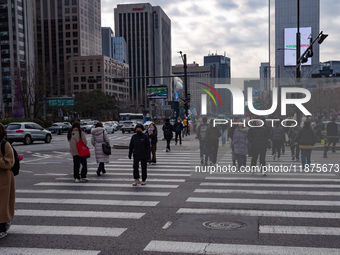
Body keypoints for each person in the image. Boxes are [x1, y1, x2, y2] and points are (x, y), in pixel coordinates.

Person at [0, 124, 15, 239]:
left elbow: (9, 163)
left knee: (2, 204)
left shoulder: (5, 145)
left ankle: (2, 229)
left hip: (4, 177)